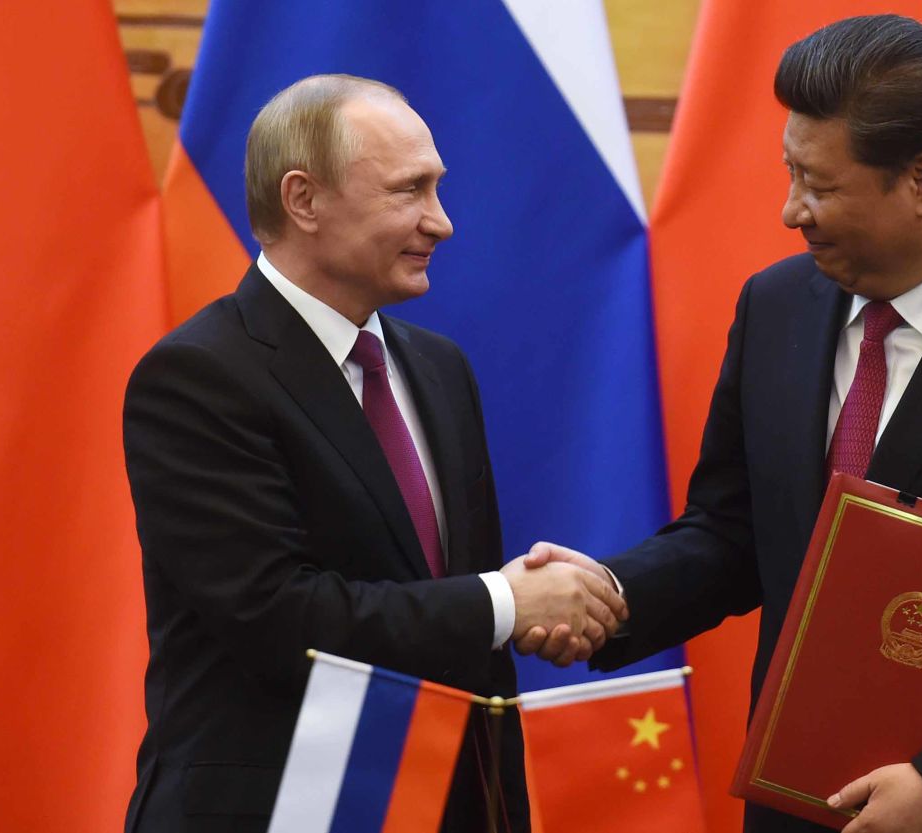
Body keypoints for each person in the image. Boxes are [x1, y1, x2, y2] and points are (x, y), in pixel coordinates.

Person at [519, 15, 922, 833]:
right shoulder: (775, 307)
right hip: (803, 799)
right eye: (791, 172)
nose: (791, 209)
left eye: (820, 185)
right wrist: (610, 595)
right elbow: (733, 532)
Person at [121, 75, 625, 833]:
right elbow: (280, 617)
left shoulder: (439, 367)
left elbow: (457, 619)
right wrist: (508, 601)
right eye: (409, 191)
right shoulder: (198, 376)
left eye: (438, 189)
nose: (442, 222)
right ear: (304, 200)